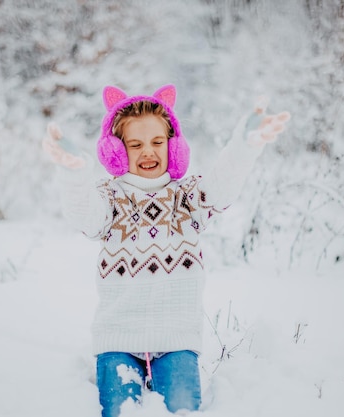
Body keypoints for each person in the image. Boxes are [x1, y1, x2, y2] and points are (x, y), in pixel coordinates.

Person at [43, 84, 290, 417]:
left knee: (183, 410)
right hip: (118, 340)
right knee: (119, 411)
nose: (148, 152)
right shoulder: (109, 200)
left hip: (177, 340)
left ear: (174, 147)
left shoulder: (186, 200)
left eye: (158, 142)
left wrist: (244, 147)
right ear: (115, 151)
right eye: (135, 144)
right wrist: (74, 174)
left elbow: (221, 185)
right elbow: (83, 215)